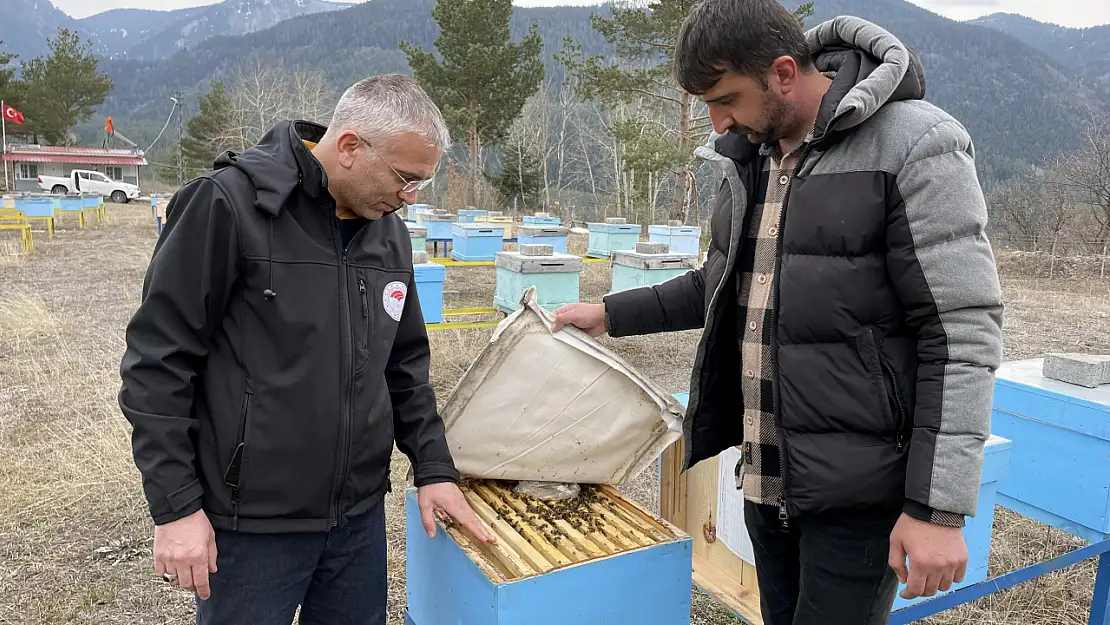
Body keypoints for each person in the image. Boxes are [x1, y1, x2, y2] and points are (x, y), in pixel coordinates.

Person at [553, 4, 1003, 625]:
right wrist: (607, 312)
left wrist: (938, 509)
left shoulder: (916, 144)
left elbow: (961, 333)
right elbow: (719, 283)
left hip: (859, 493)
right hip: (767, 476)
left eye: (726, 98)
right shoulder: (752, 156)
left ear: (784, 73)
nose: (718, 121)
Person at [118, 74, 495, 625]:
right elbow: (158, 363)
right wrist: (176, 507)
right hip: (251, 528)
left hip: (357, 522)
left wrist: (433, 467)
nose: (409, 198)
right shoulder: (228, 206)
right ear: (348, 148)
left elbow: (405, 366)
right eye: (403, 178)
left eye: (420, 184)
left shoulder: (389, 233)